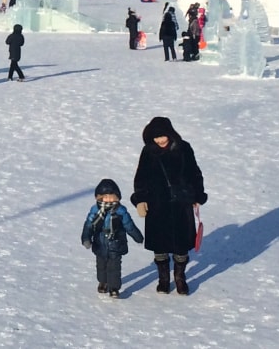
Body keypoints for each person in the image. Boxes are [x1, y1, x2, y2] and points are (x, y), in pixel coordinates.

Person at [131, 116, 206, 296]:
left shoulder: (184, 148)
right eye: (156, 137)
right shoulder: (148, 152)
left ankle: (180, 278)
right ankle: (163, 279)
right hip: (156, 205)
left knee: (181, 245)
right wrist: (140, 199)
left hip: (181, 204)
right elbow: (141, 177)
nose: (160, 140)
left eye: (163, 136)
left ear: (170, 133)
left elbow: (194, 173)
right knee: (160, 245)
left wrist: (196, 195)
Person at [81, 178, 144, 298]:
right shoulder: (95, 210)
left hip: (116, 244)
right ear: (99, 198)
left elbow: (129, 225)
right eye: (105, 197)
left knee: (114, 267)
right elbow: (88, 225)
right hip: (100, 243)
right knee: (101, 266)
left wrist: (138, 237)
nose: (109, 200)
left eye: (111, 197)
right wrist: (86, 238)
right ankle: (103, 282)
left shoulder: (120, 211)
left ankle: (114, 288)